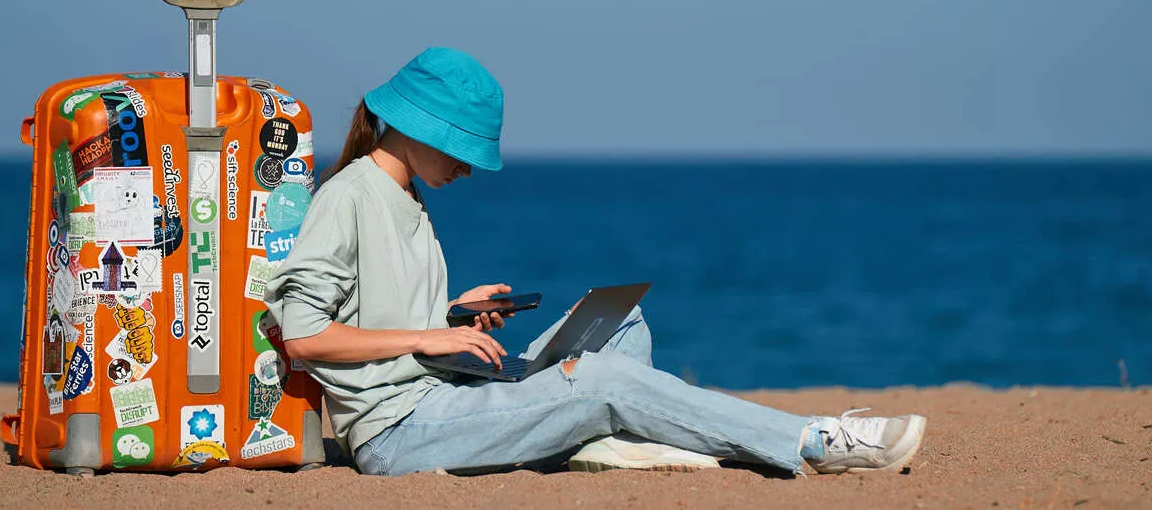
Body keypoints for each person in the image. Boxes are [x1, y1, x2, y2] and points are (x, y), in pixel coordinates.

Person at [263, 47, 927, 477]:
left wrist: (453, 313)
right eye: (462, 149)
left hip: (445, 389)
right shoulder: (349, 196)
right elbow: (306, 335)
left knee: (621, 323)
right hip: (401, 430)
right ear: (418, 128)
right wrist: (427, 335)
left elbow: (372, 311)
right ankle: (814, 441)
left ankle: (597, 442)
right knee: (602, 381)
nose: (467, 167)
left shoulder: (404, 193)